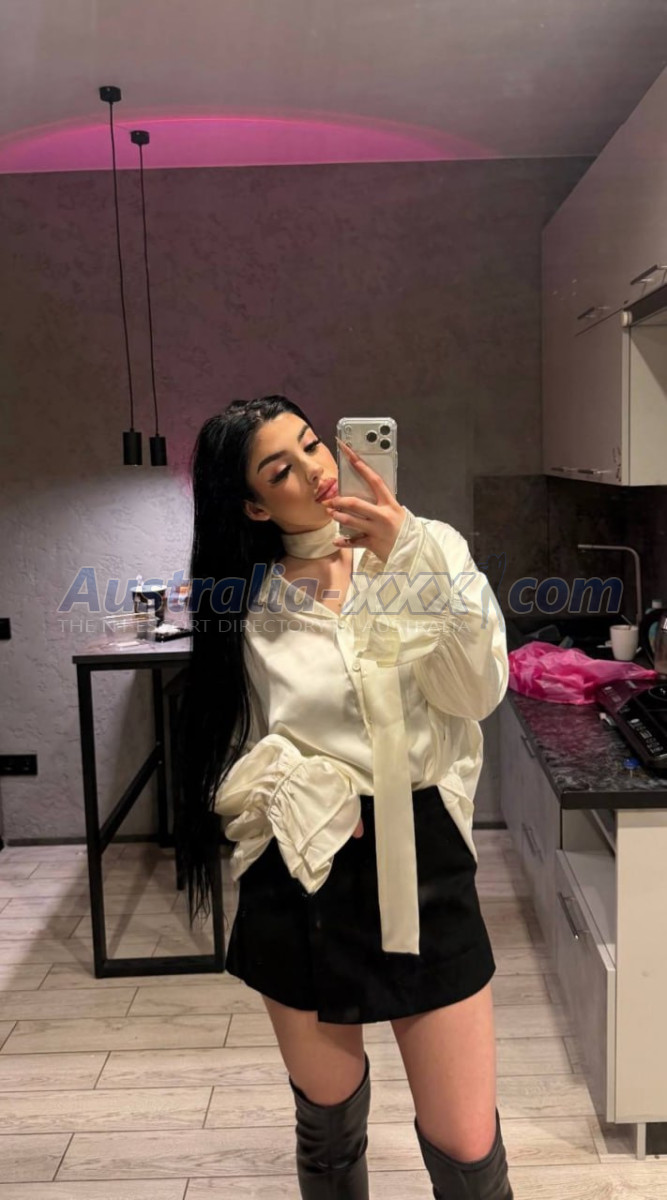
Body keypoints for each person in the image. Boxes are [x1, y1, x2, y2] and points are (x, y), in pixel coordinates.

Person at [175, 394, 514, 1199]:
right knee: (326, 1124)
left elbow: (475, 693)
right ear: (254, 506)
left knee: (466, 1145)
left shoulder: (430, 548)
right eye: (280, 469)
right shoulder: (250, 601)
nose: (314, 469)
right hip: (301, 871)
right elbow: (236, 751)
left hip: (421, 861)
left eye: (311, 444)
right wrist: (294, 788)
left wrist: (408, 564)